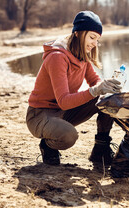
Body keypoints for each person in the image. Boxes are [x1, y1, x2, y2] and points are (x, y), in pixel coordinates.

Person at [26, 11, 122, 166]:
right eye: (92, 37)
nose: (94, 43)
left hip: (62, 113)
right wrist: (96, 90)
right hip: (40, 114)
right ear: (78, 33)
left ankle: (101, 149)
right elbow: (64, 101)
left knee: (108, 99)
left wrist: (106, 86)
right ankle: (47, 145)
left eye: (97, 39)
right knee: (69, 136)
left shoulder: (82, 54)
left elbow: (94, 80)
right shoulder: (58, 57)